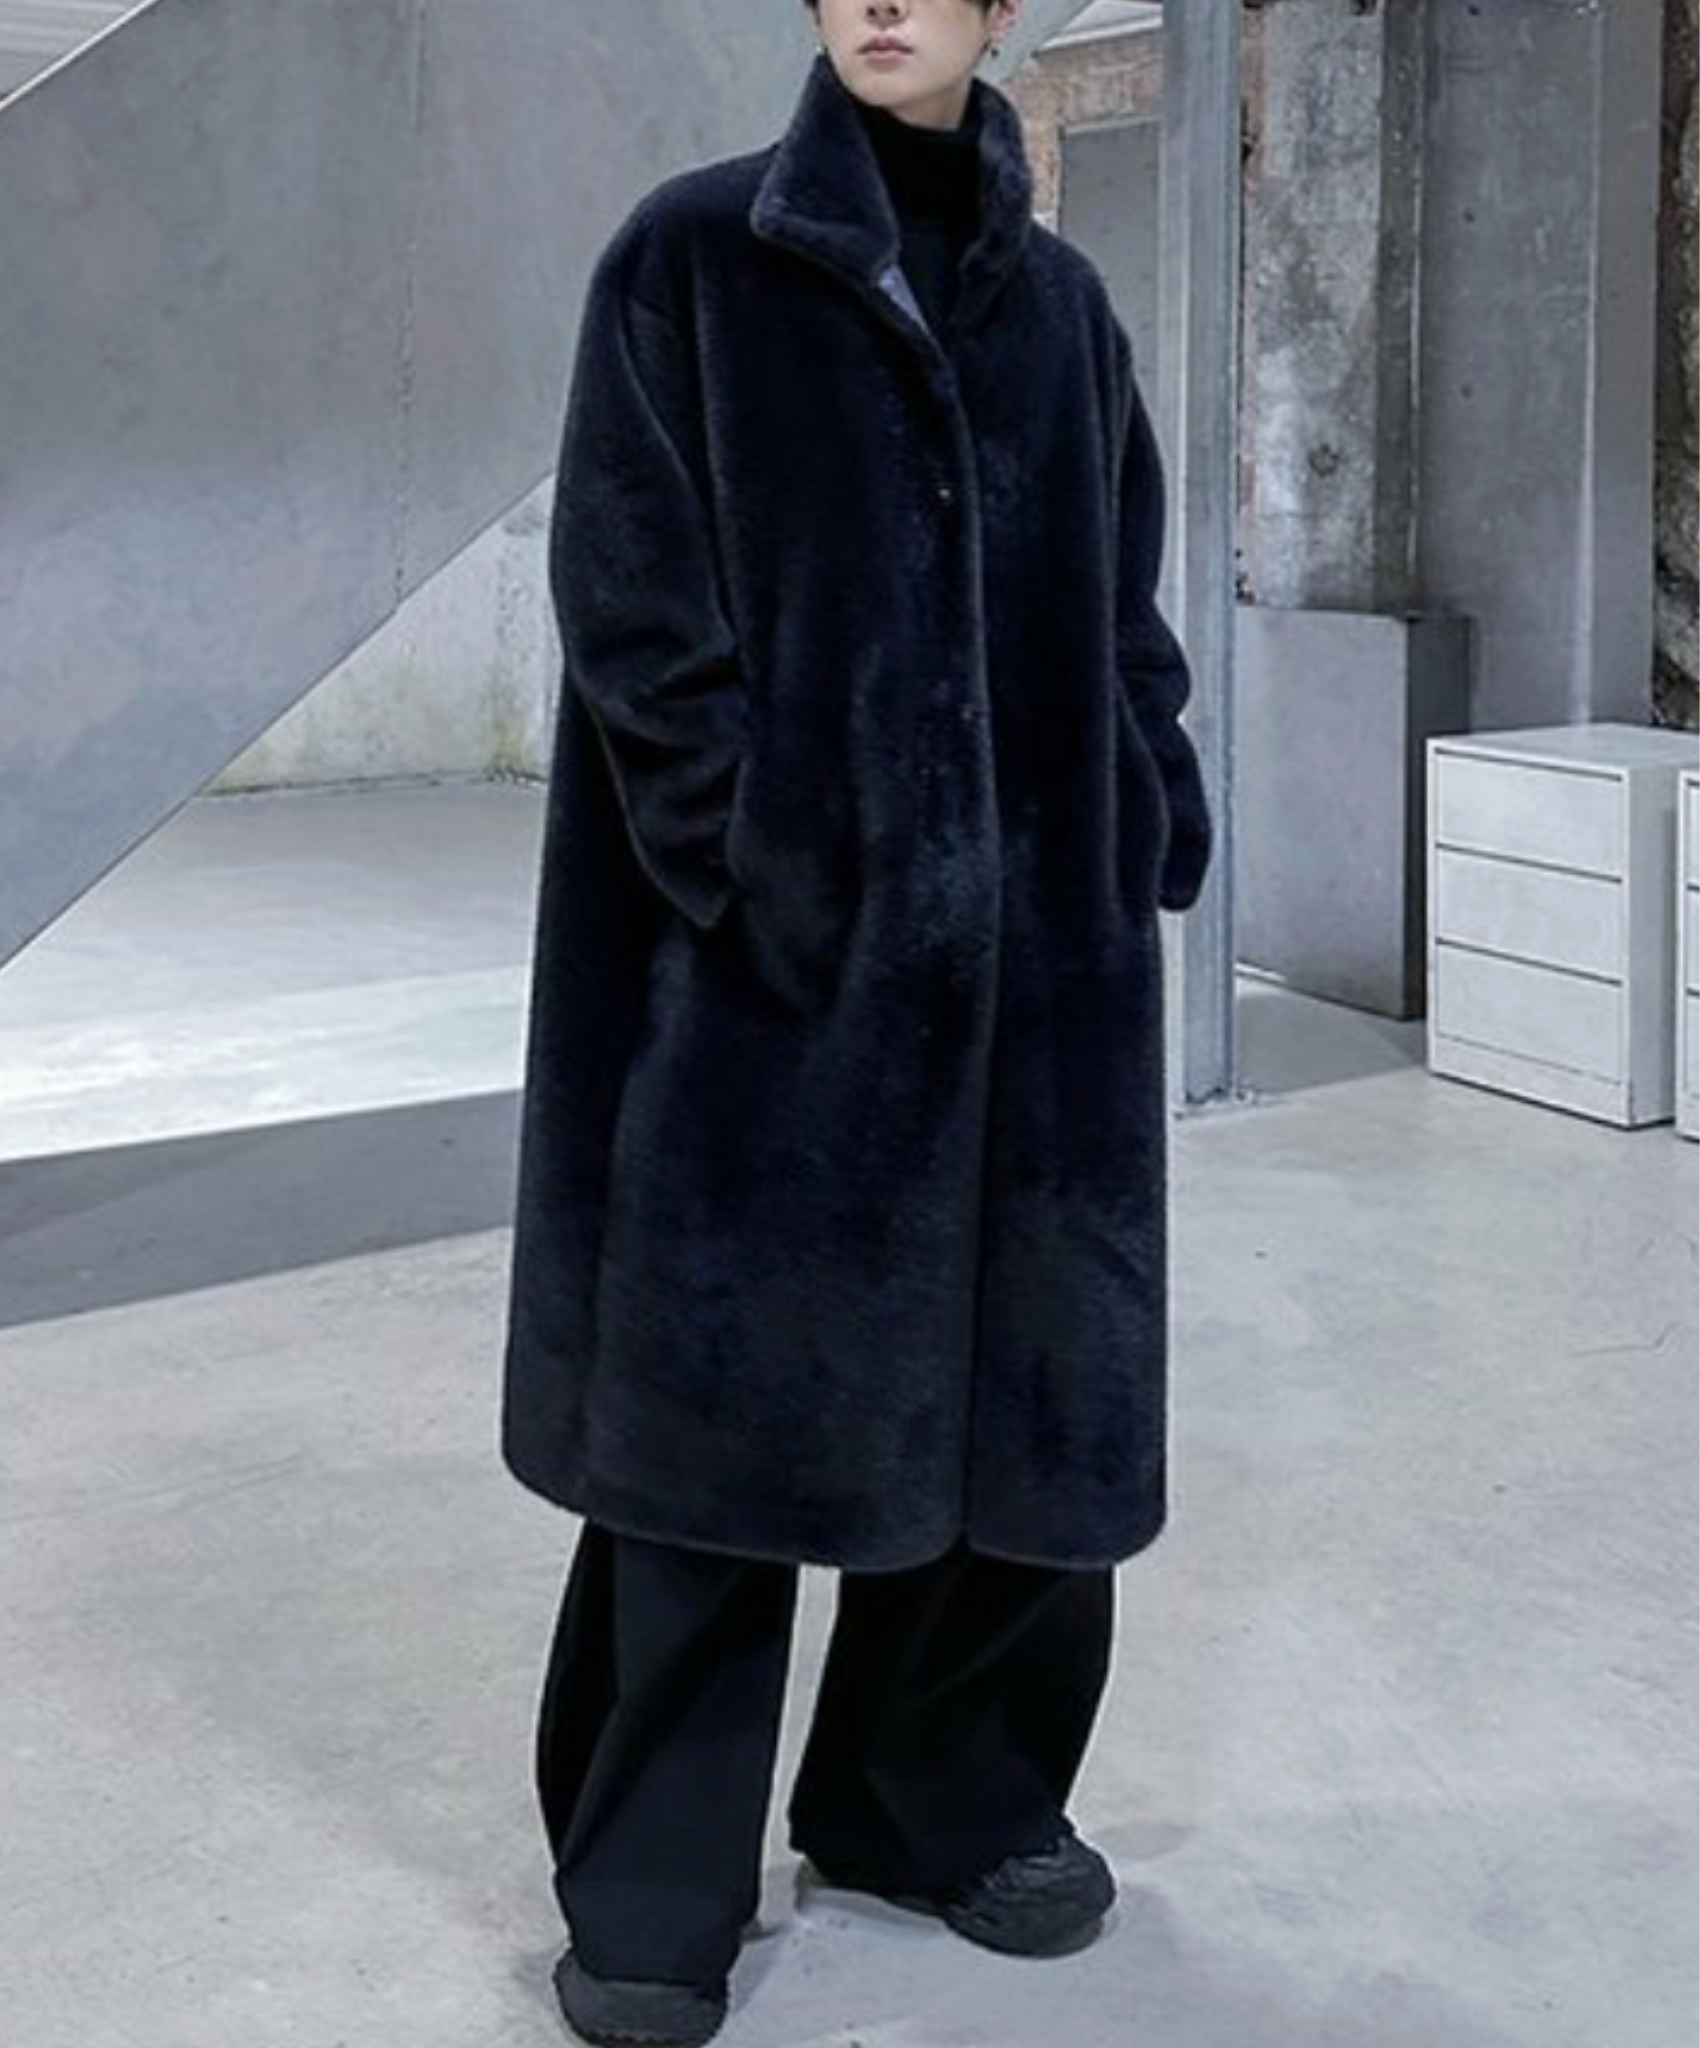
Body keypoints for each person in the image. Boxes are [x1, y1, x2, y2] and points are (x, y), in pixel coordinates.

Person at [502, 1, 1211, 2041]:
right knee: (711, 1441)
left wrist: (1143, 804)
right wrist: (754, 860)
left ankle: (937, 1803)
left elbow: (1125, 606)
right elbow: (630, 599)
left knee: (1023, 1425)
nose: (882, 2)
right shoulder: (692, 257)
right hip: (760, 982)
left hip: (1041, 983)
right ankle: (655, 1884)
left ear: (1001, 12)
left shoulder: (1063, 313)